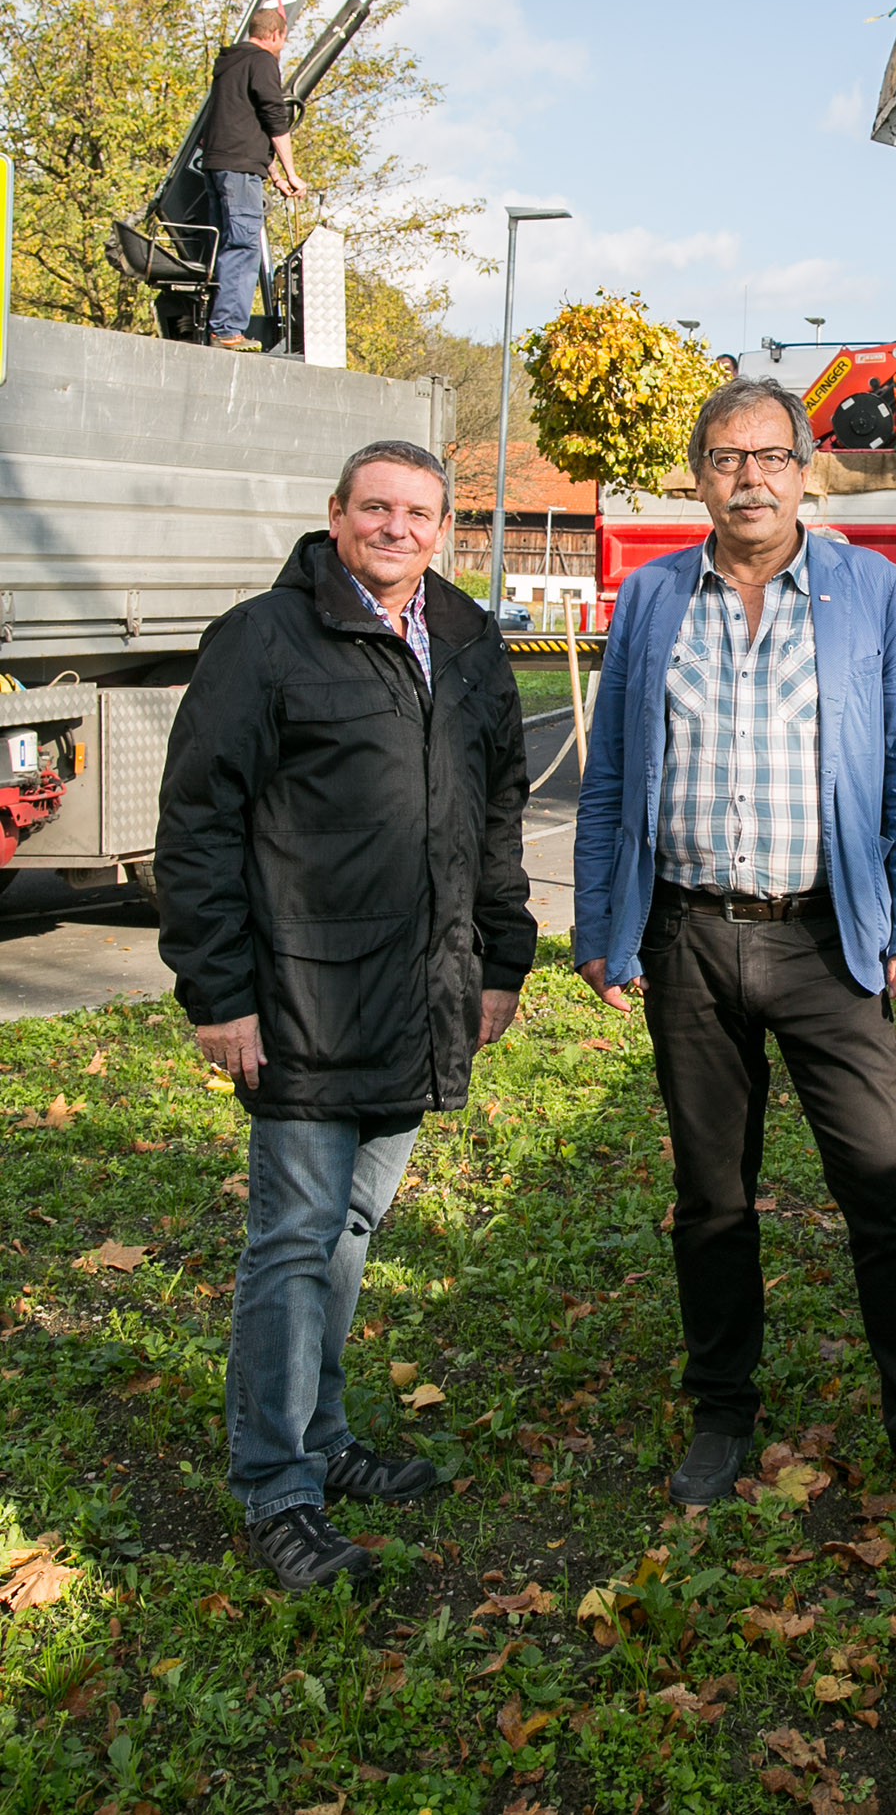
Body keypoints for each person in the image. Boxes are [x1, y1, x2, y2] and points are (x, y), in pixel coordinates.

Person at [573, 378, 896, 1552]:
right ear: (694, 476)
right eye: (722, 457)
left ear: (805, 470)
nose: (746, 475)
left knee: (886, 1191)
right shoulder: (652, 596)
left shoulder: (870, 592)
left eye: (768, 455)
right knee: (710, 1199)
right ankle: (721, 1408)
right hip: (689, 937)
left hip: (825, 938)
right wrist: (601, 925)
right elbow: (611, 777)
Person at [155, 441, 536, 1592]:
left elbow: (498, 807)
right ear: (334, 516)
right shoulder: (263, 640)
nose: (396, 527)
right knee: (291, 1240)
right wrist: (218, 992)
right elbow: (200, 823)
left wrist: (501, 957)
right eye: (375, 507)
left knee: (352, 1233)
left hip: (422, 993)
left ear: (444, 527)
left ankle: (319, 1437)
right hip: (303, 997)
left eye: (417, 512)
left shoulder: (467, 642)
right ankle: (276, 1485)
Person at [200, 5, 307, 352]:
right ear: (275, 34)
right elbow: (274, 118)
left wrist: (273, 174)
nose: (282, 46)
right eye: (284, 40)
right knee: (243, 246)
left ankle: (218, 327)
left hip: (218, 166)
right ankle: (227, 330)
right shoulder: (262, 62)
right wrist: (291, 172)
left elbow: (241, 126)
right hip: (239, 173)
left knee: (225, 246)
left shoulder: (228, 65)